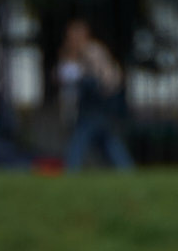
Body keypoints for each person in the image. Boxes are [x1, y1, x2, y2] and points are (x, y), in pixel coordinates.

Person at [57, 19, 133, 171]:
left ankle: (71, 169)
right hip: (92, 105)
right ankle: (126, 169)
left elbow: (106, 77)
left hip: (95, 104)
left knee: (80, 139)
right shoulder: (74, 53)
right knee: (108, 141)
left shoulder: (92, 51)